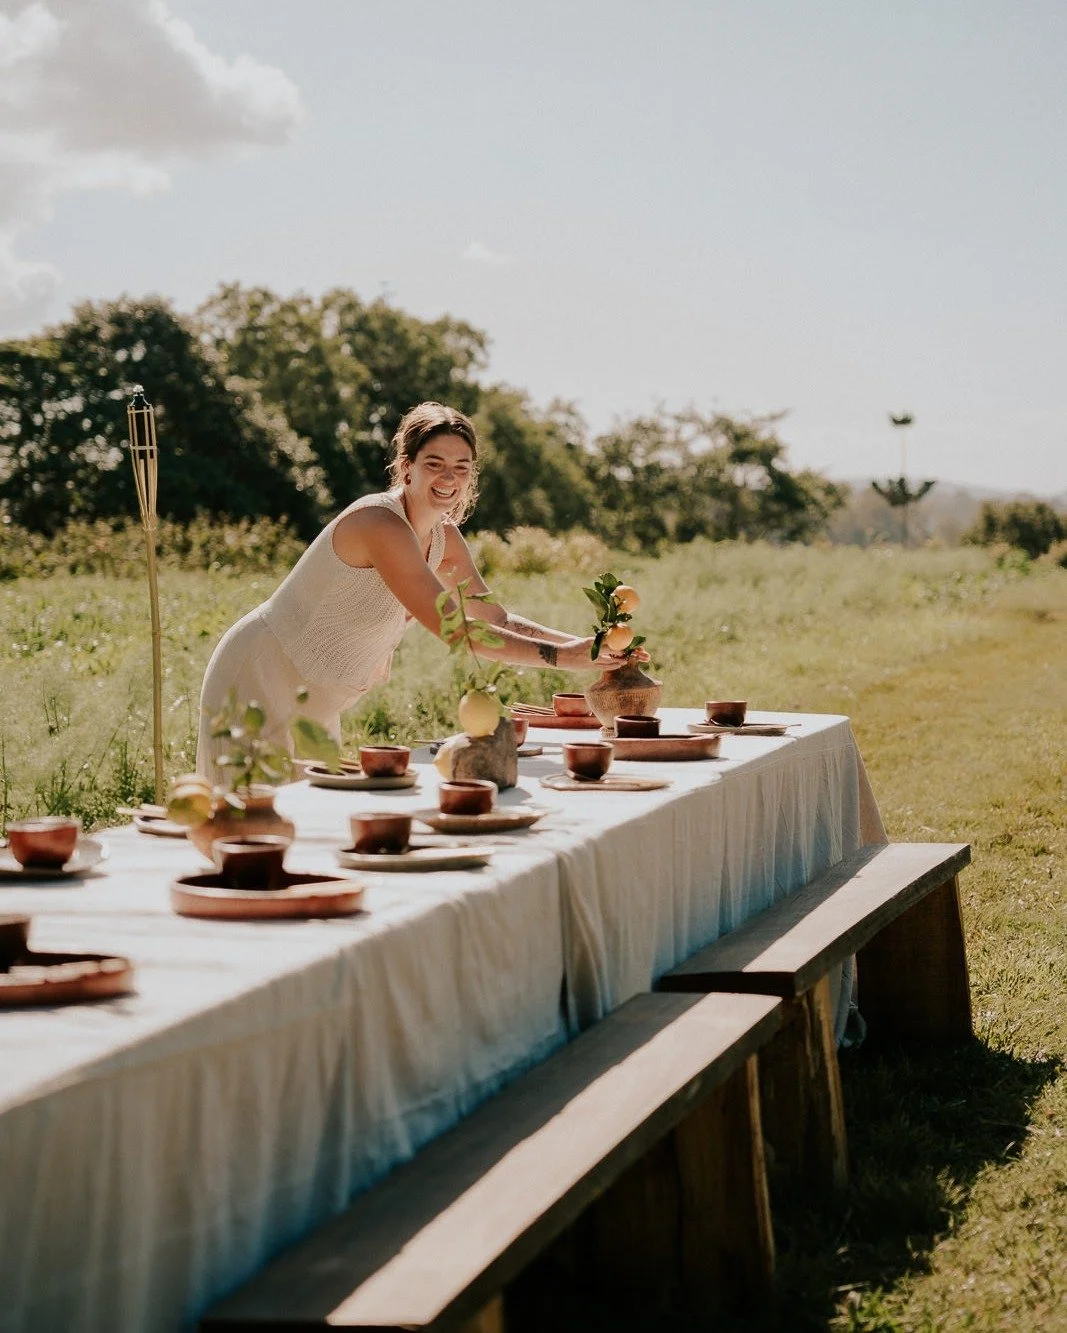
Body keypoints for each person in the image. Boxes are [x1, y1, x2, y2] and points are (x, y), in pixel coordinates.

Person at [196, 400, 639, 779]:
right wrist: (566, 660)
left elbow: (494, 619)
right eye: (435, 464)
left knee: (309, 827)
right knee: (243, 830)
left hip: (315, 696)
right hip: (259, 673)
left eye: (461, 468)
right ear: (406, 467)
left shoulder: (444, 539)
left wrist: (590, 647)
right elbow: (457, 630)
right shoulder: (380, 523)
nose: (449, 477)